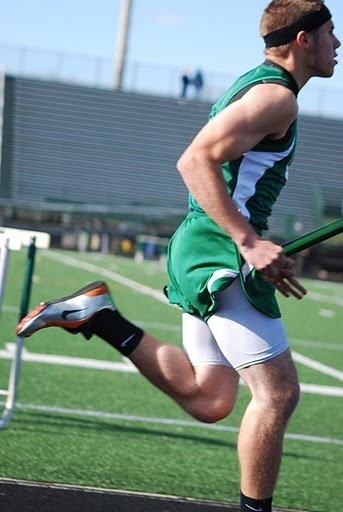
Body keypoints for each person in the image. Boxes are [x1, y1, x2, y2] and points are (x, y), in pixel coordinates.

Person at [16, 2, 339, 511]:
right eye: (331, 32)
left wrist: (253, 239)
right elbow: (193, 161)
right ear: (304, 40)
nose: (338, 44)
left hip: (205, 243)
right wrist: (249, 242)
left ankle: (101, 318)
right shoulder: (278, 97)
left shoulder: (260, 86)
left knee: (210, 398)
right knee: (277, 396)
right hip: (219, 250)